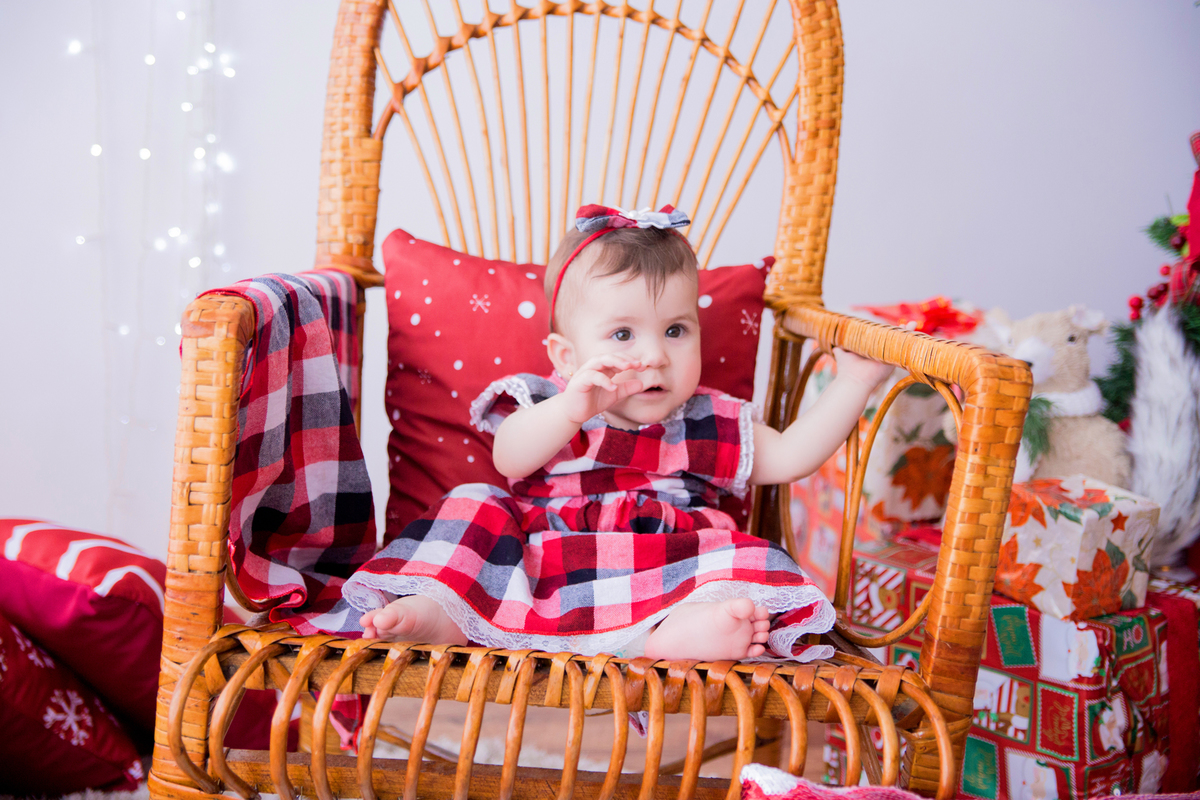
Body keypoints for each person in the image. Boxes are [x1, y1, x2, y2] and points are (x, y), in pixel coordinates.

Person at [344, 205, 892, 662]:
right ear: (567, 354)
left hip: (664, 561)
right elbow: (509, 459)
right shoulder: (553, 400)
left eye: (676, 330)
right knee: (471, 504)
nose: (653, 355)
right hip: (543, 561)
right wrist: (569, 409)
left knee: (743, 556)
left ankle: (672, 635)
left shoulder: (708, 419)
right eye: (623, 333)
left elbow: (793, 455)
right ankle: (443, 611)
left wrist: (855, 381)